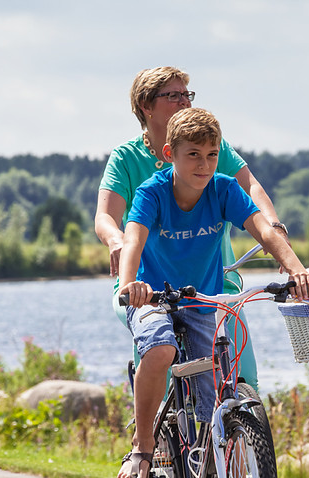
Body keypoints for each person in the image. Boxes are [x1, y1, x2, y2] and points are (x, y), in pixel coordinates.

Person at [116, 108, 309, 478]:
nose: (204, 164)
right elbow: (134, 239)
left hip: (205, 298)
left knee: (218, 392)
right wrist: (129, 284)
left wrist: (295, 268)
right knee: (159, 351)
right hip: (153, 297)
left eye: (211, 155)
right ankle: (143, 446)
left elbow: (263, 229)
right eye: (193, 154)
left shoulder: (223, 189)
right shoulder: (152, 193)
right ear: (170, 153)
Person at [94, 66, 288, 391]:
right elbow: (105, 216)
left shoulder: (210, 147)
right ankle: (151, 432)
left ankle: (236, 427)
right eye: (173, 95)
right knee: (159, 352)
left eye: (187, 94)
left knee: (238, 366)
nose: (185, 101)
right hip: (148, 280)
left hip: (211, 274)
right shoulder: (127, 158)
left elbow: (251, 187)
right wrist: (117, 241)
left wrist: (274, 227)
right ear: (146, 105)